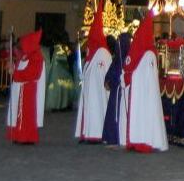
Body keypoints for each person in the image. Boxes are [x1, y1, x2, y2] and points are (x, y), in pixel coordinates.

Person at [119, 16, 168, 152]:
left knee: (145, 117)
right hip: (138, 93)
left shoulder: (149, 54)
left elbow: (147, 76)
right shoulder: (141, 53)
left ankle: (146, 140)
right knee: (137, 117)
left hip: (146, 94)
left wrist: (130, 77)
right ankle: (136, 140)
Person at [75, 15, 111, 143]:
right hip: (89, 89)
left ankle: (96, 134)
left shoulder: (103, 53)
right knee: (89, 109)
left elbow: (104, 71)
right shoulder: (92, 51)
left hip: (98, 90)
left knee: (97, 109)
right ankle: (87, 132)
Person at [6, 30, 45, 145]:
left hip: (28, 89)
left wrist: (15, 73)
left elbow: (32, 74)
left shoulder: (36, 57)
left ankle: (26, 136)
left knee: (26, 114)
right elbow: (20, 68)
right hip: (21, 88)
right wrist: (12, 67)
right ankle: (18, 134)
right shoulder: (25, 56)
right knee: (18, 112)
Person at [102, 33, 130, 146]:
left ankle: (118, 137)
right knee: (113, 115)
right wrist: (108, 81)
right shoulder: (118, 59)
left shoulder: (127, 59)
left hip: (122, 92)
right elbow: (111, 73)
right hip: (116, 92)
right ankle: (112, 136)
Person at [45, 42, 76, 112]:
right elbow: (70, 57)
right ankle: (63, 105)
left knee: (58, 89)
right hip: (63, 72)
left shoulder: (54, 48)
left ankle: (58, 105)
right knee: (64, 88)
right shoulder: (63, 47)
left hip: (57, 72)